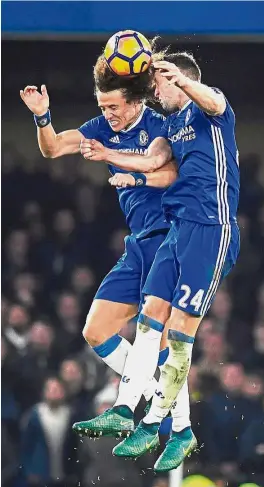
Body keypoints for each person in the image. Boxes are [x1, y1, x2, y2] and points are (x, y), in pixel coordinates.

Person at [79, 50, 240, 471]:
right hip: (177, 228)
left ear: (178, 79)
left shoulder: (213, 111)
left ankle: (162, 425)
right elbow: (152, 161)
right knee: (151, 318)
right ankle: (127, 410)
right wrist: (111, 158)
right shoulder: (169, 126)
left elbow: (213, 101)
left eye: (157, 84)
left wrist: (182, 82)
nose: (151, 92)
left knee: (180, 333)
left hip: (211, 229)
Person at [20, 53, 192, 437]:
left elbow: (165, 171)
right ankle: (154, 394)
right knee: (95, 331)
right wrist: (43, 117)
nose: (108, 113)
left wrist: (119, 163)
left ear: (134, 101)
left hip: (170, 238)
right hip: (138, 243)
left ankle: (176, 423)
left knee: (159, 338)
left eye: (113, 106)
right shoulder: (100, 127)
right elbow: (53, 148)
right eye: (102, 106)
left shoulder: (160, 124)